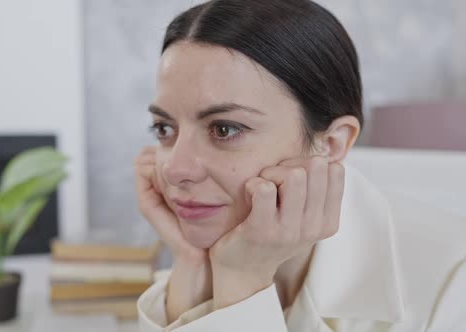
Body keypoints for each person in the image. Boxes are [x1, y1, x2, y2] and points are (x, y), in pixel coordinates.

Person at [133, 0, 466, 331]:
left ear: (332, 144)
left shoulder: (453, 282)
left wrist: (242, 282)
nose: (175, 169)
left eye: (225, 129)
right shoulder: (199, 262)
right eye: (164, 129)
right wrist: (191, 262)